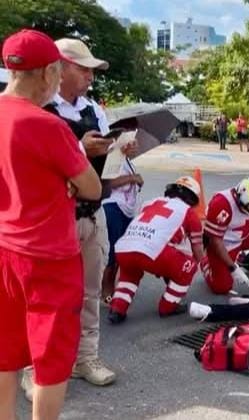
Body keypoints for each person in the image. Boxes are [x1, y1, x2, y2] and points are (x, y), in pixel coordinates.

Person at [0, 29, 101, 420]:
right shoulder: (47, 125)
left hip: (4, 250)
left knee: (6, 351)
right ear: (47, 73)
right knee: (51, 359)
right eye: (57, 73)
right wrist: (67, 179)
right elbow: (91, 187)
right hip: (49, 259)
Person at [28, 37, 121, 392]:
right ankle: (33, 368)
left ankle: (86, 358)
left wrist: (119, 150)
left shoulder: (94, 109)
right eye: (84, 69)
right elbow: (35, 164)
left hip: (92, 214)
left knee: (90, 293)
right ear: (60, 68)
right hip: (54, 218)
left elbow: (104, 168)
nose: (90, 77)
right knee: (44, 298)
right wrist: (81, 148)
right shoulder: (39, 108)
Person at [108, 176, 205, 323]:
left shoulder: (150, 203)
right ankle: (168, 306)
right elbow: (197, 249)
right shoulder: (189, 213)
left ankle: (117, 309)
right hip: (154, 252)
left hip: (125, 248)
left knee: (129, 275)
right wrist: (199, 266)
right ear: (192, 199)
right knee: (189, 266)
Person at [101, 156, 143, 304]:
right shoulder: (114, 157)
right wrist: (132, 178)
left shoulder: (127, 161)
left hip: (127, 210)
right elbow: (108, 182)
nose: (134, 145)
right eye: (131, 143)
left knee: (120, 251)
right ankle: (106, 290)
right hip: (113, 207)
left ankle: (112, 287)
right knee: (112, 252)